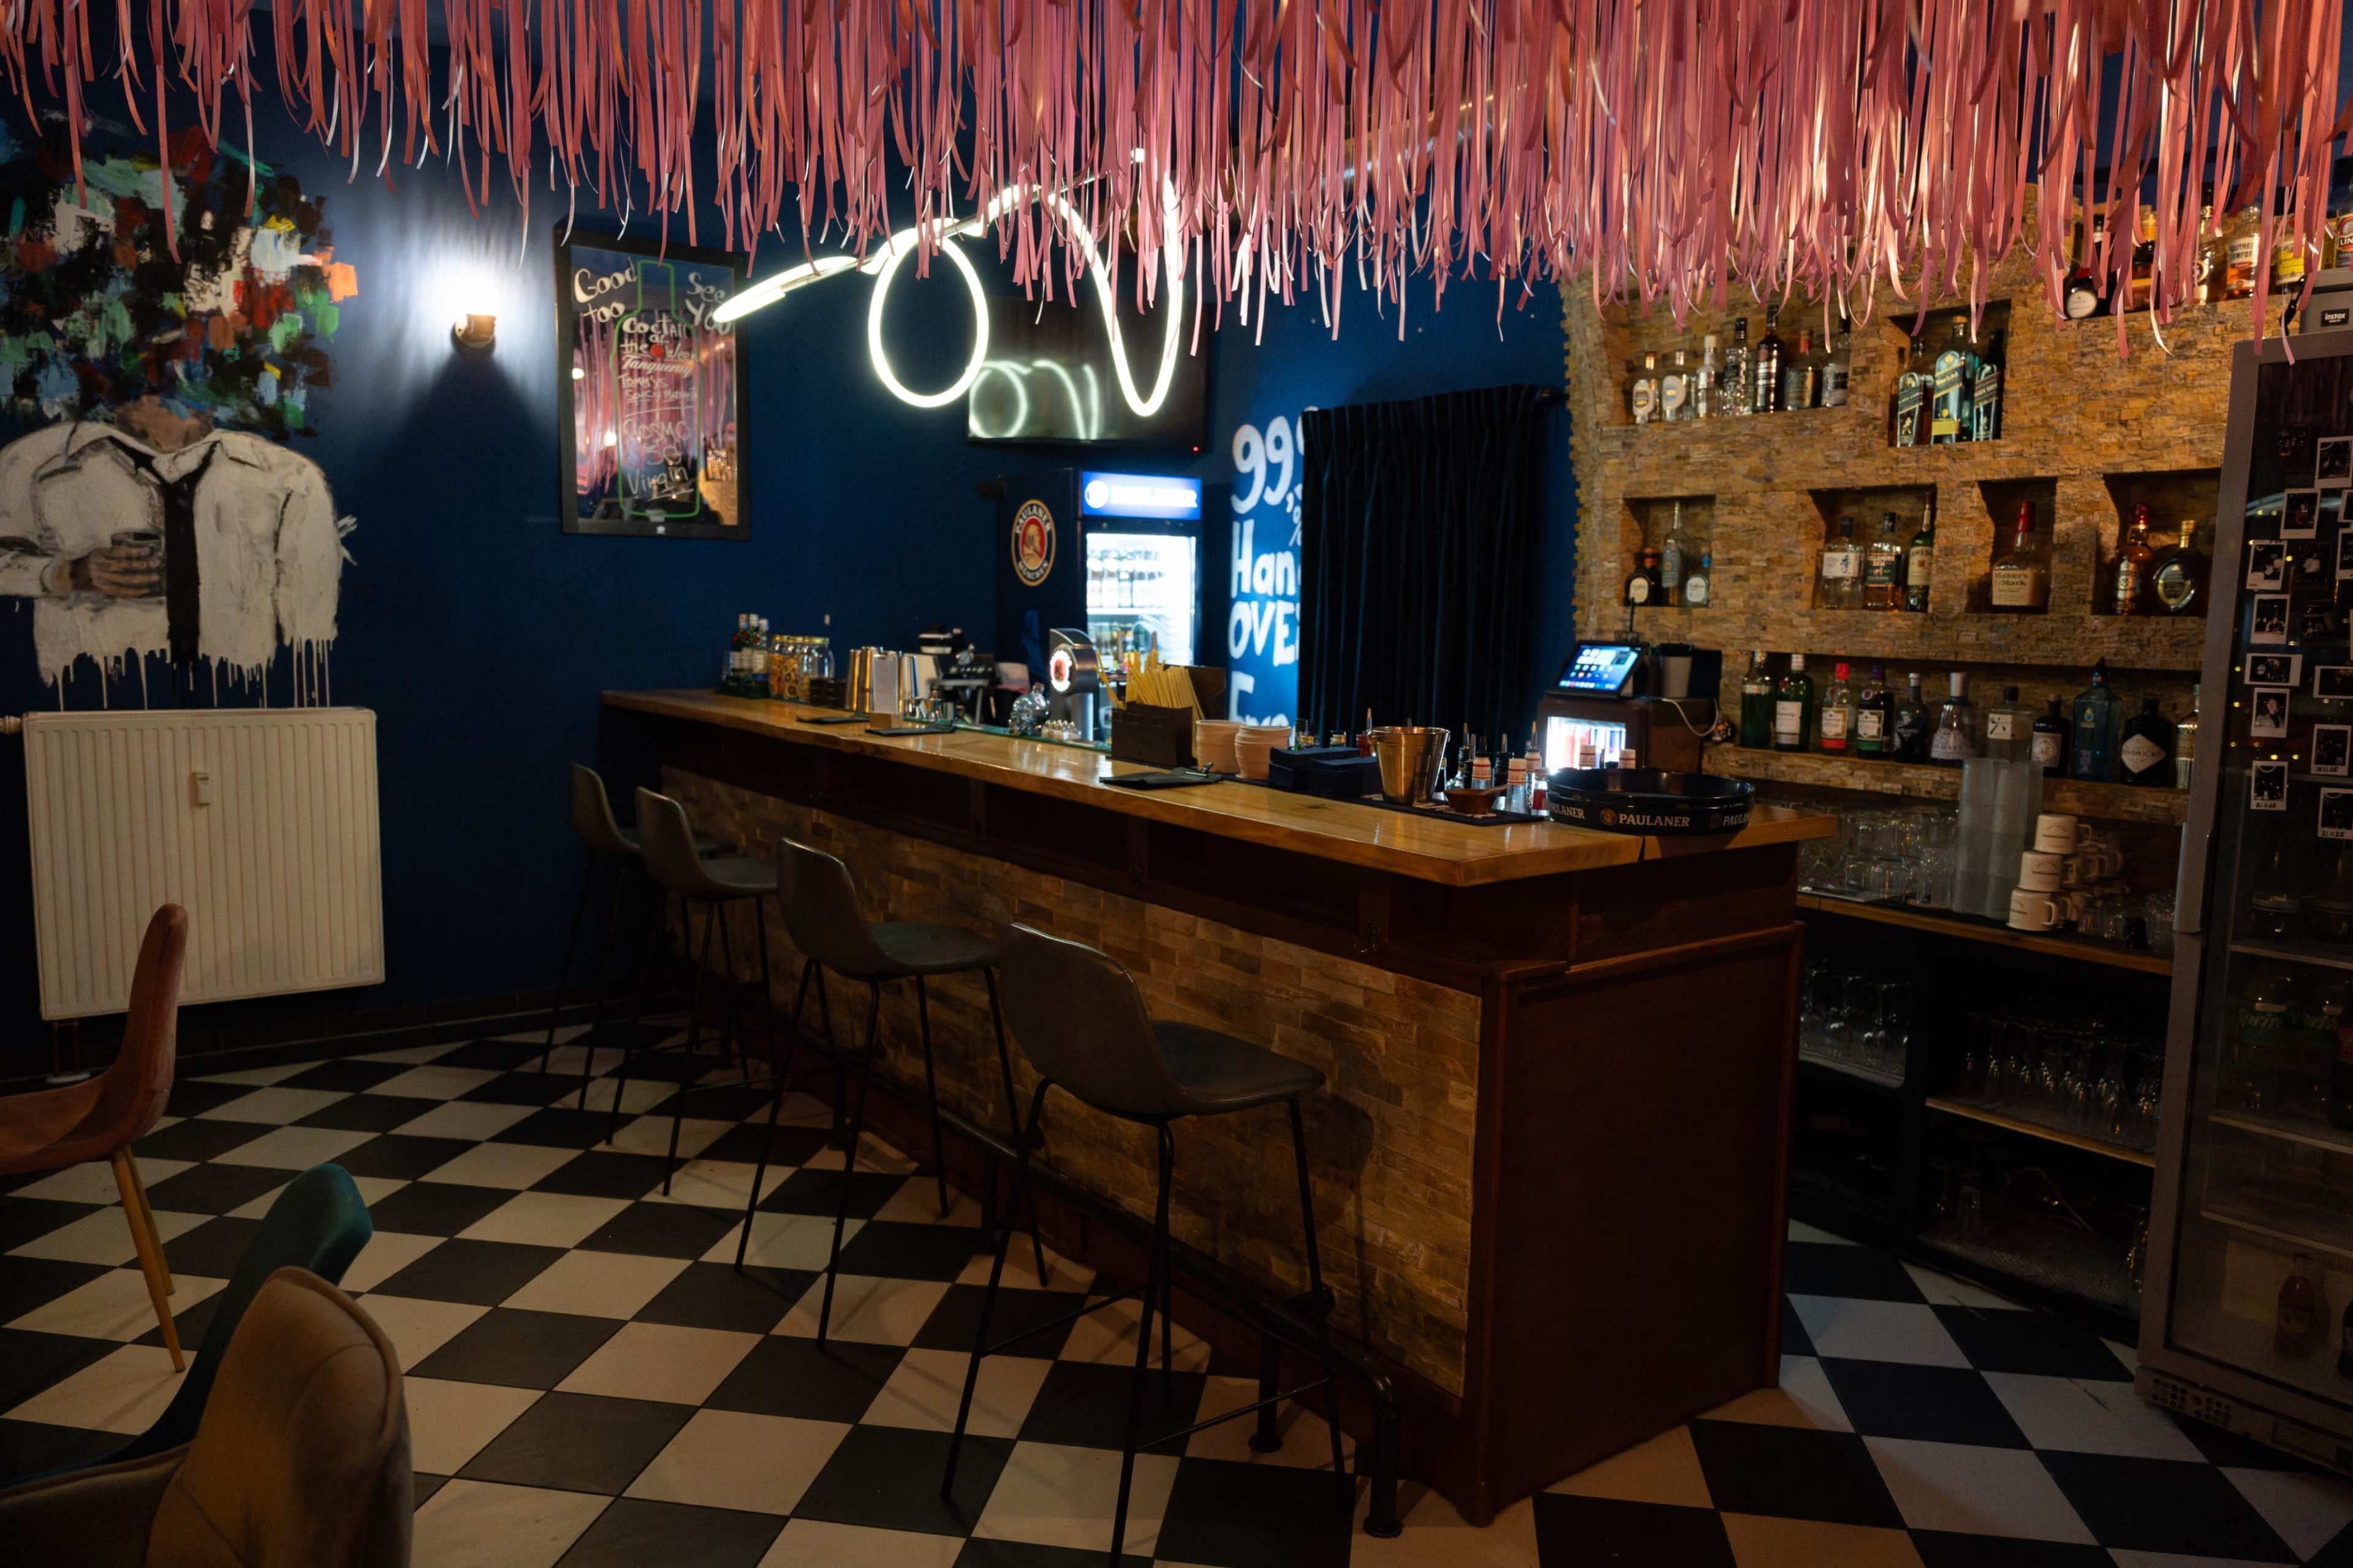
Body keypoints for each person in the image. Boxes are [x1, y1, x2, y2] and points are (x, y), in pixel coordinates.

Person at [0, 394, 342, 684]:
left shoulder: (291, 480)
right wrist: (65, 574)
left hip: (244, 709)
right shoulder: (34, 463)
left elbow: (311, 638)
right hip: (90, 714)